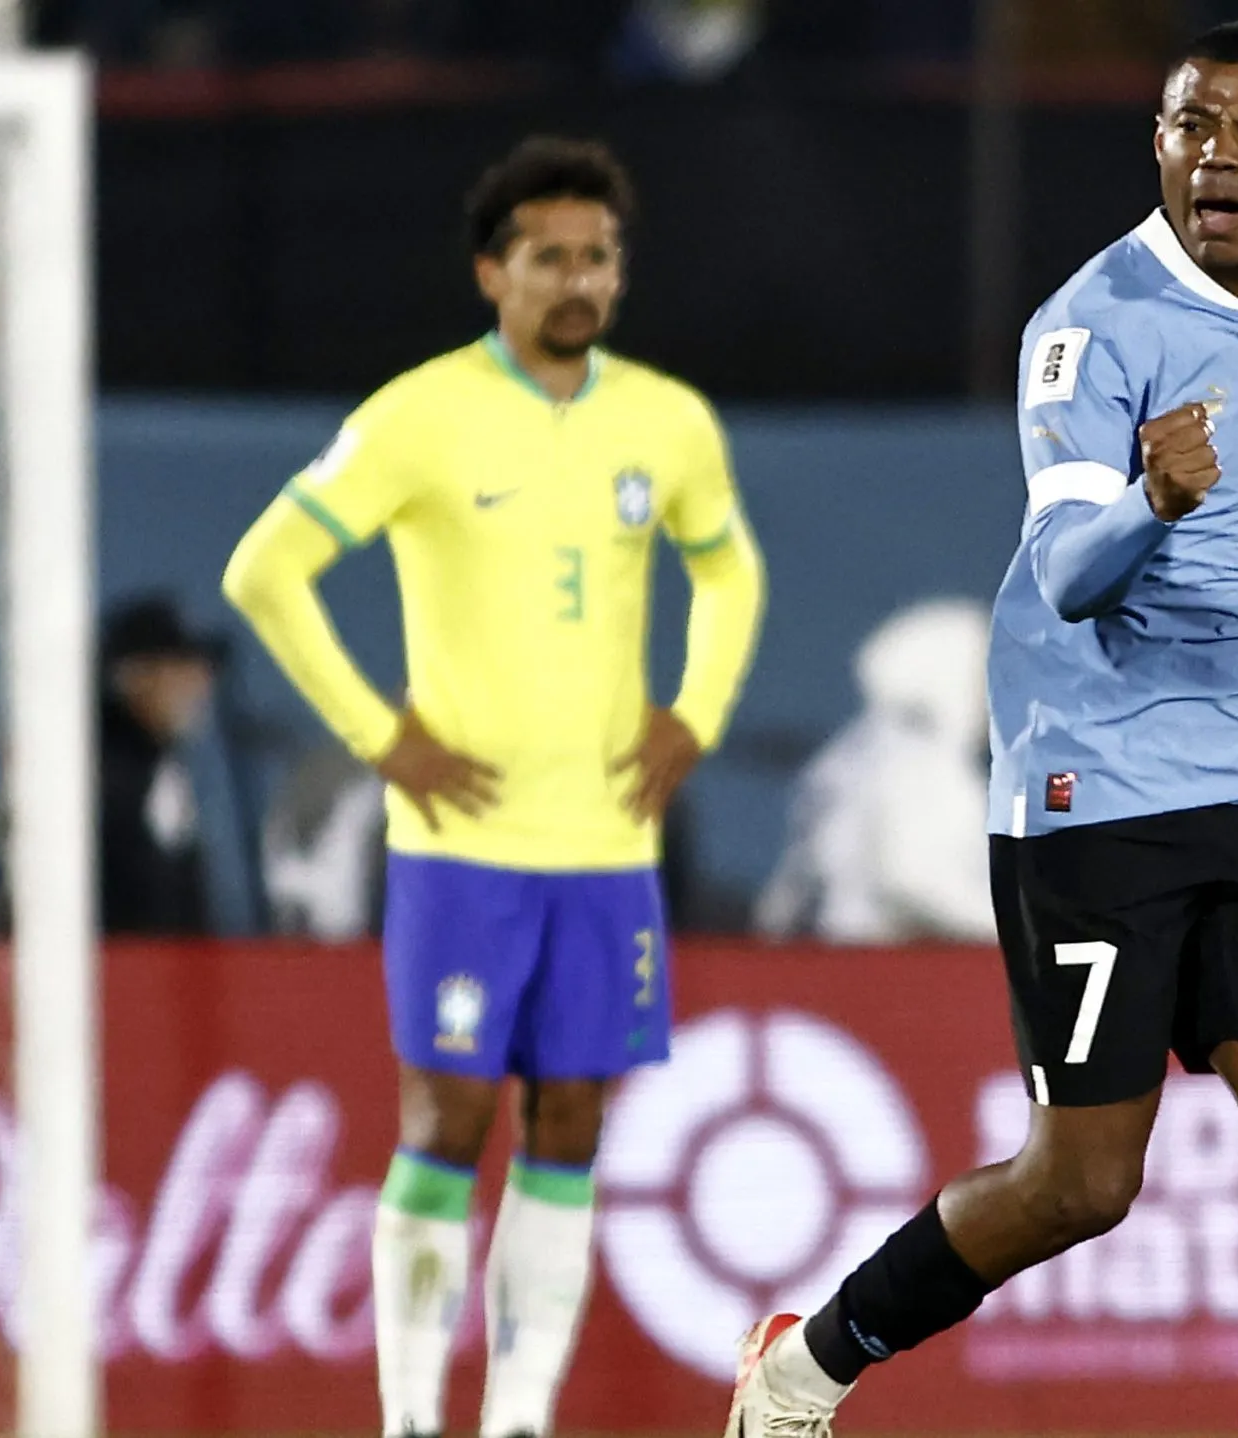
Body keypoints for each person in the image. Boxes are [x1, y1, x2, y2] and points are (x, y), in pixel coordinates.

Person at [725, 21, 1238, 1438]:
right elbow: (1066, 573)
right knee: (1085, 1181)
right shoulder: (1090, 324)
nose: (1216, 154)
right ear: (1157, 143)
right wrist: (1154, 500)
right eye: (1189, 126)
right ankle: (814, 1361)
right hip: (1098, 779)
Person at [219, 136, 767, 1438]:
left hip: (606, 845)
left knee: (570, 1119)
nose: (578, 280)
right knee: (448, 1113)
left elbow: (729, 570)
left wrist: (695, 716)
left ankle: (519, 1414)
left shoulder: (667, 421)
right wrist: (375, 731)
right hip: (460, 842)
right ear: (493, 271)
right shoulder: (419, 416)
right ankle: (412, 1413)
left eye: (599, 257)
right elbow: (263, 570)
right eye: (549, 257)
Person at [753, 597, 1000, 946]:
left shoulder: (857, 751)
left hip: (833, 961)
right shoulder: (918, 761)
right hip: (870, 969)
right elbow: (912, 878)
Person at [97, 593, 223, 934]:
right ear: (135, 676)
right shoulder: (100, 771)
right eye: (181, 669)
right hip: (116, 977)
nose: (200, 684)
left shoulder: (160, 764)